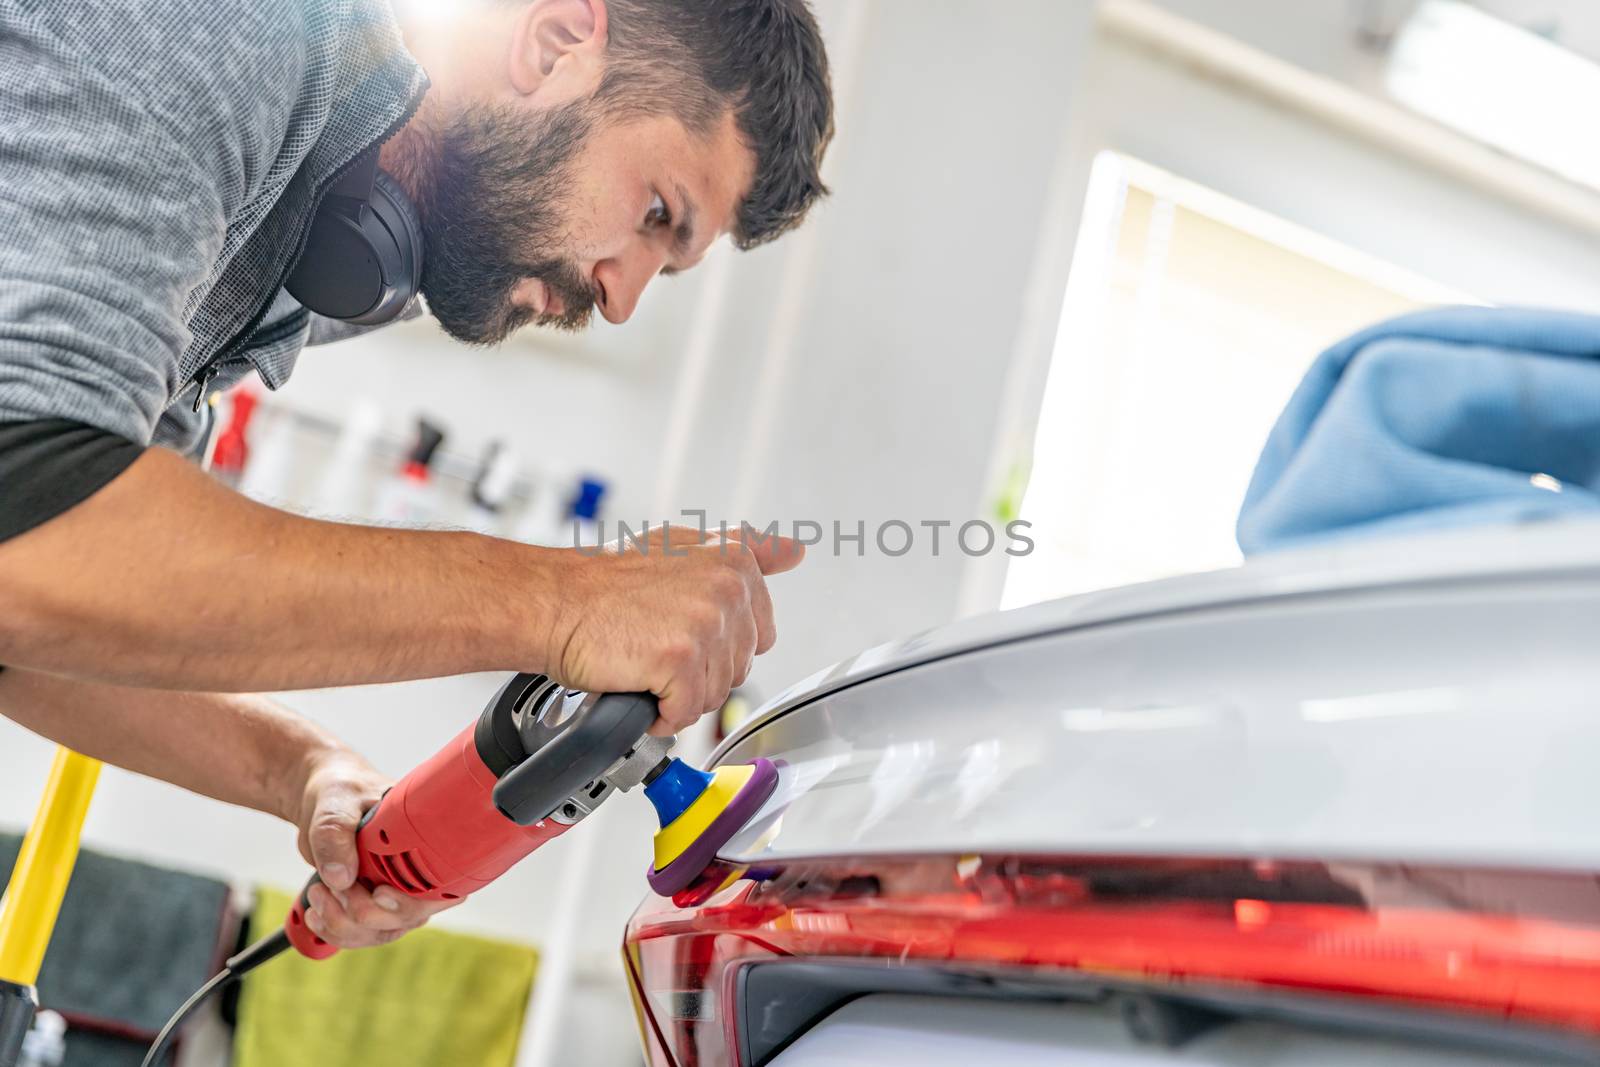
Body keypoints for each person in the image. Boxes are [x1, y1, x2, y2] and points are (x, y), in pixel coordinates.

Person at [0, 0, 832, 949]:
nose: (622, 298)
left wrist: (307, 773)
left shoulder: (312, 242)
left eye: (665, 266)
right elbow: (34, 527)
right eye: (655, 215)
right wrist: (564, 604)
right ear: (557, 39)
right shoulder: (230, 27)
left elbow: (44, 628)